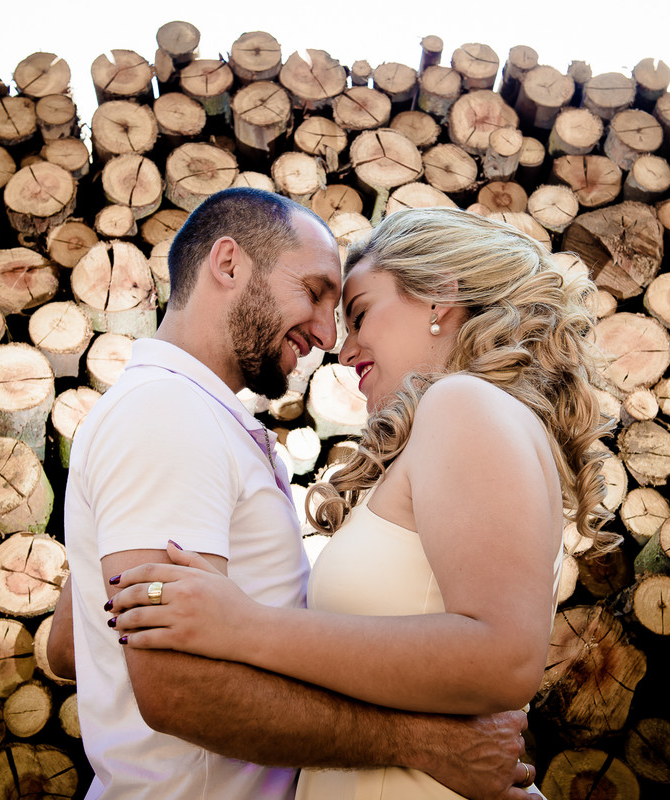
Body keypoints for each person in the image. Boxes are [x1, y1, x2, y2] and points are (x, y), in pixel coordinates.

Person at [103, 207, 620, 799]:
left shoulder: (463, 405)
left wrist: (246, 626)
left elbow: (504, 657)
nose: (341, 349)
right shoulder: (461, 422)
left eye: (359, 313)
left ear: (438, 298)